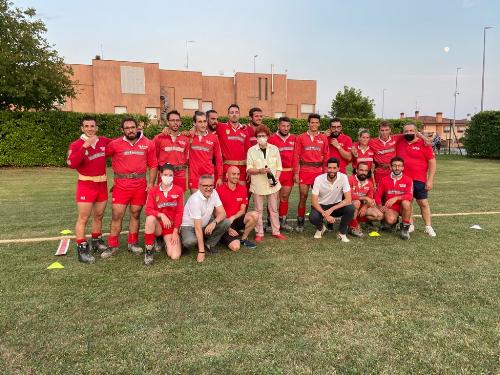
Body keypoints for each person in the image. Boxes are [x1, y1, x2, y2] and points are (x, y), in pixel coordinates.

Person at [102, 117, 157, 258]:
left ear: (137, 128)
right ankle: (112, 245)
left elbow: (153, 165)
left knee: (136, 214)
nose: (130, 130)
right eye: (127, 128)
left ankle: (132, 243)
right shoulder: (115, 144)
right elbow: (99, 156)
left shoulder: (148, 143)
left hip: (140, 185)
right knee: (116, 215)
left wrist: (151, 183)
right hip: (121, 186)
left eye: (133, 127)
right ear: (122, 130)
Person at [66, 116, 111, 263]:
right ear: (82, 128)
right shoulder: (76, 144)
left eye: (92, 126)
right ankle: (82, 248)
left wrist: (138, 133)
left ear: (96, 128)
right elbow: (72, 163)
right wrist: (85, 146)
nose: (90, 129)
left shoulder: (103, 141)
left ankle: (96, 240)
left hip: (102, 185)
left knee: (98, 215)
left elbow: (121, 144)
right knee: (83, 218)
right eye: (87, 126)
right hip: (86, 186)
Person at [396, 123, 437, 237]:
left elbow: (432, 162)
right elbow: (387, 136)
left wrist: (430, 180)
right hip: (404, 180)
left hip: (420, 179)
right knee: (407, 203)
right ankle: (410, 225)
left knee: (423, 203)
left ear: (416, 132)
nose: (408, 133)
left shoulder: (423, 144)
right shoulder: (400, 141)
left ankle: (428, 226)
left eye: (411, 130)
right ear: (403, 132)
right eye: (406, 131)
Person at [247, 125, 286, 242]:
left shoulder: (274, 149)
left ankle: (276, 231)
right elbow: (249, 169)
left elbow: (279, 167)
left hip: (273, 185)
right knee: (258, 210)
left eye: (263, 136)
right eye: (259, 136)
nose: (261, 138)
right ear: (256, 138)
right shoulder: (251, 150)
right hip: (258, 185)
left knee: (273, 209)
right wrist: (259, 170)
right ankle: (259, 233)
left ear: (268, 136)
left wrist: (276, 179)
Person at [292, 113, 329, 232]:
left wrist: (325, 173)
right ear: (308, 123)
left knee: (319, 198)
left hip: (318, 172)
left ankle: (319, 221)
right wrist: (296, 173)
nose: (314, 124)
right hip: (304, 170)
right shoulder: (300, 137)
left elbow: (327, 156)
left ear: (319, 124)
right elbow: (296, 155)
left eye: (316, 122)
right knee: (303, 196)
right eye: (312, 122)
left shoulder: (323, 138)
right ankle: (300, 221)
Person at [180, 175, 230, 262]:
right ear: (199, 186)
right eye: (205, 186)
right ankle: (182, 239)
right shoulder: (195, 199)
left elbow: (223, 213)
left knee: (226, 222)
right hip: (189, 226)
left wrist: (214, 222)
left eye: (211, 185)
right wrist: (201, 252)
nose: (209, 188)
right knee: (190, 241)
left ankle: (209, 244)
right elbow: (197, 227)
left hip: (204, 223)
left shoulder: (214, 192)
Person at [143, 164, 184, 266]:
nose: (168, 177)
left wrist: (175, 231)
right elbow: (147, 210)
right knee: (150, 218)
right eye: (165, 174)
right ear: (160, 174)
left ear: (173, 176)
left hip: (170, 227)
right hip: (158, 226)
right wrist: (160, 214)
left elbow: (179, 212)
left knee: (175, 256)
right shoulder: (153, 190)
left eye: (170, 175)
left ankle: (164, 241)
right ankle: (149, 251)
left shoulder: (178, 190)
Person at [309, 158, 355, 242]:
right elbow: (314, 202)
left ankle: (341, 232)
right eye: (329, 168)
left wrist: (331, 210)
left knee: (350, 208)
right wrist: (326, 214)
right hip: (321, 206)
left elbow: (348, 199)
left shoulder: (343, 177)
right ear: (326, 168)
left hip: (335, 206)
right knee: (313, 217)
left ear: (338, 169)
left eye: (334, 168)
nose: (332, 170)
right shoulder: (318, 179)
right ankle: (321, 228)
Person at [217, 166, 258, 251]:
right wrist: (227, 227)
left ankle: (243, 239)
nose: (236, 176)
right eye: (233, 174)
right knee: (235, 247)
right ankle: (221, 236)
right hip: (224, 222)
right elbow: (215, 213)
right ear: (227, 175)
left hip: (235, 219)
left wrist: (233, 217)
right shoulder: (219, 190)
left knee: (255, 215)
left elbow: (242, 210)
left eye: (238, 174)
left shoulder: (243, 189)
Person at [268, 116, 296, 232]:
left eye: (288, 126)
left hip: (288, 173)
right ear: (278, 126)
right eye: (283, 126)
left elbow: (296, 156)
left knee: (284, 198)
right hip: (275, 173)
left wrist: (296, 172)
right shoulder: (272, 138)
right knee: (272, 199)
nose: (285, 128)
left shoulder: (294, 138)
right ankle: (270, 222)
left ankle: (282, 221)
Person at [374, 157, 413, 240]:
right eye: (394, 166)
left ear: (403, 167)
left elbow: (410, 196)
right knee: (390, 220)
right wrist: (380, 206)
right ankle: (393, 223)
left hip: (403, 207)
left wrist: (396, 198)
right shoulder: (384, 180)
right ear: (390, 167)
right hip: (391, 208)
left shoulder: (408, 180)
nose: (397, 168)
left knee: (406, 202)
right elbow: (377, 195)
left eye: (399, 166)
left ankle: (405, 229)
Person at [153, 110, 189, 191]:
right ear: (168, 122)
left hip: (180, 175)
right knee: (163, 201)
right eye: (172, 120)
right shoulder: (159, 138)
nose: (175, 122)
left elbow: (186, 157)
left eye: (177, 120)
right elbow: (154, 158)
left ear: (180, 122)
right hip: (165, 174)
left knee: (179, 201)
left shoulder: (186, 139)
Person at [216, 104, 251, 185]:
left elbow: (248, 151)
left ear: (239, 114)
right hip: (227, 166)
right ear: (228, 115)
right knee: (227, 194)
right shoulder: (221, 127)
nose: (234, 114)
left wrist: (249, 168)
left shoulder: (244, 130)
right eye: (232, 112)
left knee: (241, 193)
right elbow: (205, 125)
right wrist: (192, 129)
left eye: (236, 112)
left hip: (242, 168)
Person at [188, 111, 223, 192]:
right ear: (194, 123)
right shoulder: (189, 136)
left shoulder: (214, 138)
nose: (203, 124)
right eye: (200, 122)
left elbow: (218, 158)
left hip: (208, 176)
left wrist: (220, 177)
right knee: (196, 203)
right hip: (194, 176)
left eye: (204, 121)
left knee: (208, 203)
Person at [347, 162, 383, 237]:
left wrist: (365, 207)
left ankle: (357, 221)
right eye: (361, 170)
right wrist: (364, 197)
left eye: (365, 171)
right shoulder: (350, 179)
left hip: (361, 206)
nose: (363, 172)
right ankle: (353, 226)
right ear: (356, 170)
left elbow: (370, 199)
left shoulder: (369, 183)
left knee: (379, 215)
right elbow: (349, 196)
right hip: (348, 206)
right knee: (356, 202)